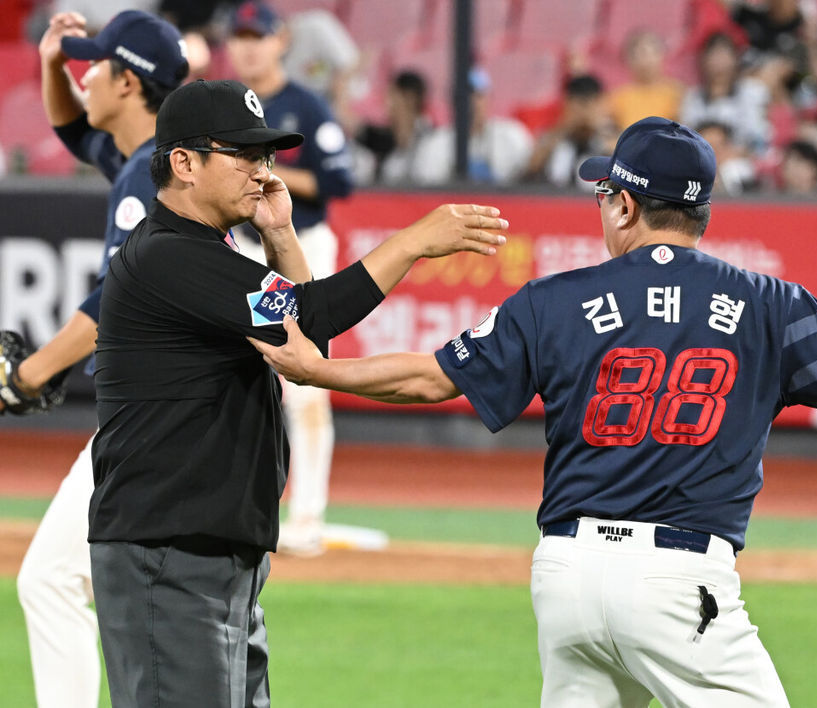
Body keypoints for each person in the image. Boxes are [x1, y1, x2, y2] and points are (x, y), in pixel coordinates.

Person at [251, 116, 817, 707]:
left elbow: (429, 379)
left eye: (605, 193)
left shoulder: (555, 300)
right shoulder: (769, 303)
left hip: (567, 576)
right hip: (679, 585)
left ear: (626, 204)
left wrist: (320, 369)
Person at [88, 78, 507, 706]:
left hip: (211, 555)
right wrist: (414, 242)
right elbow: (313, 315)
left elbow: (302, 351)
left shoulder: (211, 251)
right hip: (168, 555)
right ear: (184, 163)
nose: (261, 171)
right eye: (243, 154)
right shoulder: (168, 256)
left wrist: (281, 237)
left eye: (267, 156)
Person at [8, 10, 188, 708]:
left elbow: (118, 295)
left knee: (53, 582)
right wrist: (54, 62)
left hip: (151, 421)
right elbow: (73, 130)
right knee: (150, 604)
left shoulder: (151, 177)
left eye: (94, 65)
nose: (84, 75)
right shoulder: (154, 156)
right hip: (177, 416)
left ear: (128, 81)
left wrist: (31, 370)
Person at [225, 0, 375, 555]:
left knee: (304, 383)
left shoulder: (305, 106)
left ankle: (307, 516)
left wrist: (263, 170)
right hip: (235, 246)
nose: (247, 45)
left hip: (298, 245)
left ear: (280, 40)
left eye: (256, 35)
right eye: (238, 35)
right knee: (234, 377)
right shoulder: (224, 102)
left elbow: (338, 182)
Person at [413, 67, 534, 185]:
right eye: (463, 96)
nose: (470, 102)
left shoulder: (511, 134)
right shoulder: (437, 142)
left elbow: (530, 177)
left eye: (477, 95)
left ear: (489, 98)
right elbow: (428, 190)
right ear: (452, 102)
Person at [524, 74, 617, 191]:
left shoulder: (615, 136)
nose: (584, 111)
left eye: (591, 104)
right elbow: (530, 169)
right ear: (566, 104)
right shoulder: (553, 134)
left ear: (602, 103)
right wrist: (565, 128)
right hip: (554, 200)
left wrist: (600, 129)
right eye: (577, 104)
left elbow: (627, 165)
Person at [607, 29, 686, 131]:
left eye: (651, 53)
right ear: (627, 59)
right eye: (638, 55)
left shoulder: (677, 93)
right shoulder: (617, 96)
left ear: (662, 56)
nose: (645, 61)